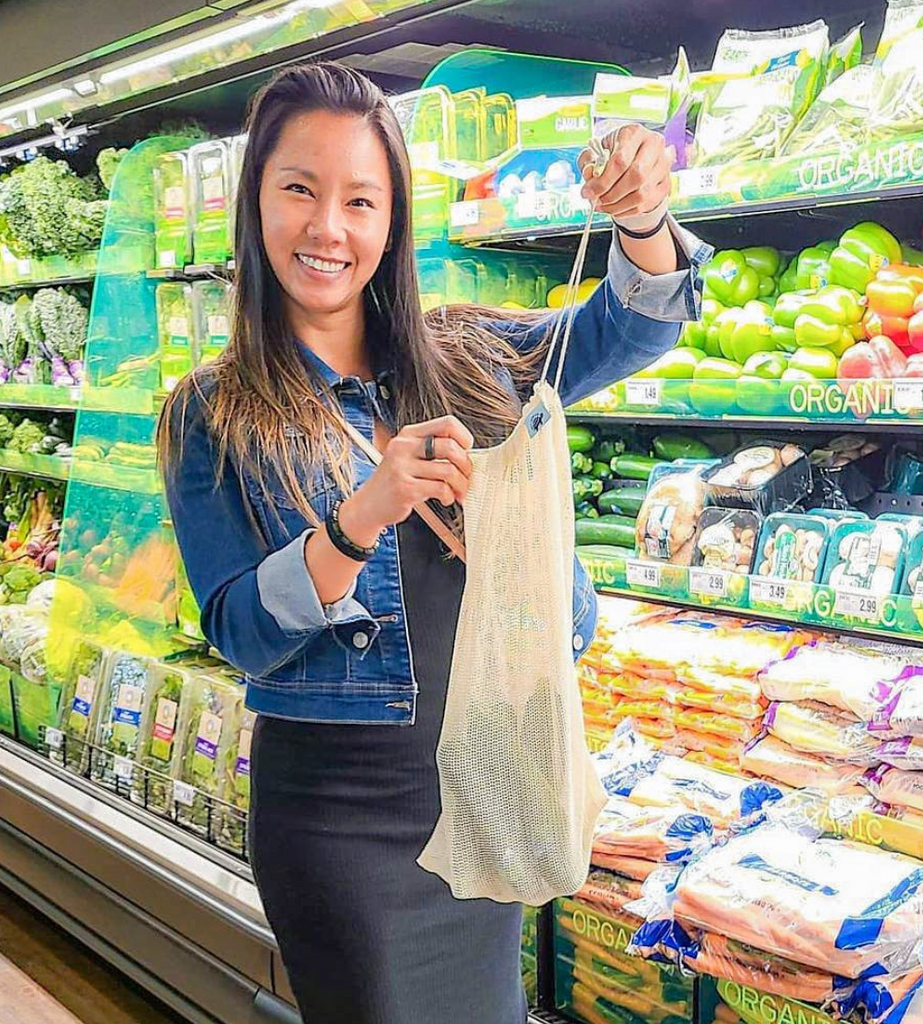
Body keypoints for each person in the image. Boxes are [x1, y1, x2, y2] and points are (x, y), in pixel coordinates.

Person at [158, 60, 711, 1024]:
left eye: (360, 200)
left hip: (486, 786)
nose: (329, 228)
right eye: (300, 189)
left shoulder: (462, 356)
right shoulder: (214, 412)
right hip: (340, 819)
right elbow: (240, 631)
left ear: (391, 221)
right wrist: (357, 517)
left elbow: (627, 329)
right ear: (256, 204)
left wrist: (641, 219)